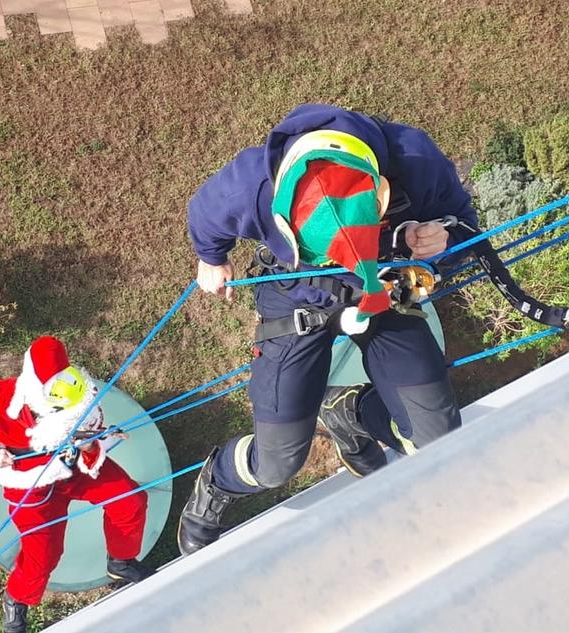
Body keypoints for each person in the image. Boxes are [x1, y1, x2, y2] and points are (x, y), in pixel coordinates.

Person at [178, 104, 477, 555]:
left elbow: (464, 227)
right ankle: (217, 482)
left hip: (385, 284)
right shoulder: (246, 185)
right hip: (297, 293)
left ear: (382, 193)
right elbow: (204, 216)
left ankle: (349, 411)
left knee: (437, 439)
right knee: (277, 462)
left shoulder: (414, 159)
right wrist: (211, 258)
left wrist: (443, 240)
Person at [0, 335, 155, 633]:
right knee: (43, 555)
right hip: (32, 486)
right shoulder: (0, 402)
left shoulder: (77, 393)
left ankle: (121, 561)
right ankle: (16, 599)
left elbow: (91, 433)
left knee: (129, 499)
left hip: (75, 469)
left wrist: (89, 444)